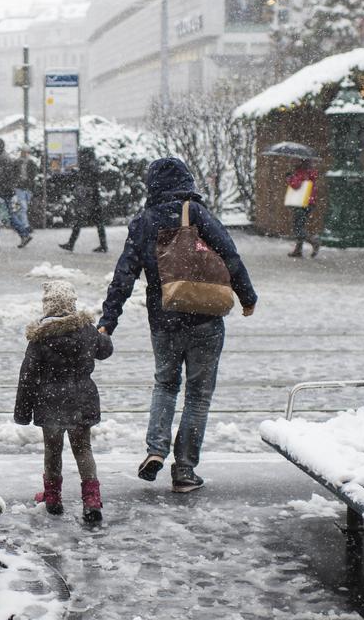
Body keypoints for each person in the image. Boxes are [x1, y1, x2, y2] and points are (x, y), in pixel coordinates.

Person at [98, 157, 257, 493]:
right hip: (205, 315)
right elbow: (230, 254)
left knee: (165, 385)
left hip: (164, 318)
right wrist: (247, 296)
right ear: (187, 180)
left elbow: (123, 276)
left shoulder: (142, 222)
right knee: (198, 394)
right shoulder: (196, 213)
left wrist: (107, 322)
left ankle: (156, 449)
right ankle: (184, 470)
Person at [14, 280, 114, 523]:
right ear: (72, 304)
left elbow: (27, 376)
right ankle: (91, 500)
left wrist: (23, 412)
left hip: (50, 403)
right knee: (83, 450)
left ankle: (53, 497)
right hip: (82, 399)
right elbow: (104, 351)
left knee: (53, 450)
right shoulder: (87, 331)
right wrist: (103, 334)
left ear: (47, 307)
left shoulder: (40, 338)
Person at [60, 147, 108, 253]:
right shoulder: (93, 164)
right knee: (98, 222)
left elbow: (85, 178)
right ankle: (103, 245)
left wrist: (76, 174)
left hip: (88, 198)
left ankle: (71, 244)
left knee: (80, 220)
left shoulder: (87, 165)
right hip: (93, 197)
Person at [0, 138, 32, 248]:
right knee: (2, 216)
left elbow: (1, 178)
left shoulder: (3, 158)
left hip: (3, 192)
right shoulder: (3, 157)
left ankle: (23, 235)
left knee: (2, 216)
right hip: (5, 191)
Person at [285, 159, 321, 258]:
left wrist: (289, 178)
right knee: (300, 225)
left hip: (301, 203)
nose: (293, 162)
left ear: (301, 162)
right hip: (308, 203)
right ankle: (298, 250)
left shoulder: (302, 172)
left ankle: (313, 242)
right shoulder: (309, 172)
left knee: (298, 227)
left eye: (295, 161)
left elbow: (296, 185)